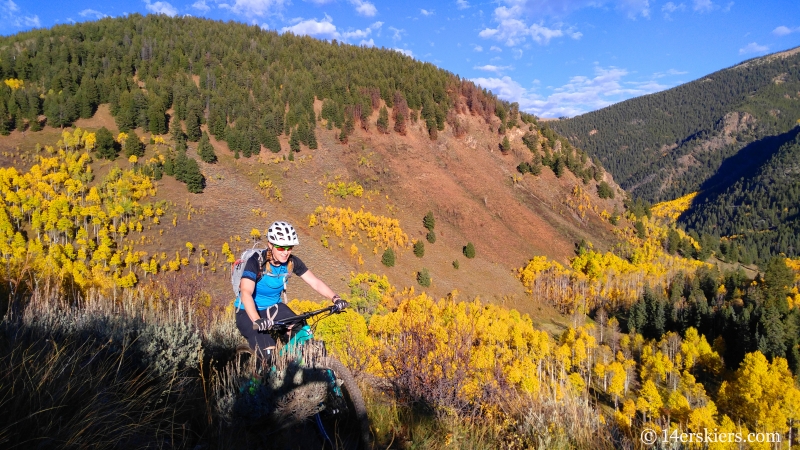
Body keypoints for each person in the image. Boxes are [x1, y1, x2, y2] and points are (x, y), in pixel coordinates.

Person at [235, 221, 348, 356]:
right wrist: (256, 319)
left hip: (273, 308)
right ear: (270, 245)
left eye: (289, 247)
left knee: (303, 332)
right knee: (268, 353)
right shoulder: (256, 261)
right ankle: (258, 376)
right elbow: (246, 292)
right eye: (281, 248)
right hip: (247, 311)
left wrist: (335, 298)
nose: (286, 252)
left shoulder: (292, 262)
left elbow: (315, 282)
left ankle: (298, 366)